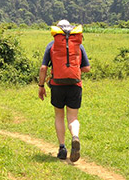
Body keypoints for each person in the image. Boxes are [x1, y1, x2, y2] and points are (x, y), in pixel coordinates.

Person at [38, 19, 91, 162]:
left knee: (59, 116)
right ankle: (75, 136)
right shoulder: (78, 46)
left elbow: (43, 68)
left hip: (57, 85)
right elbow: (86, 68)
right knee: (73, 118)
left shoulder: (52, 45)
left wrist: (41, 86)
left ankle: (62, 148)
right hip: (75, 85)